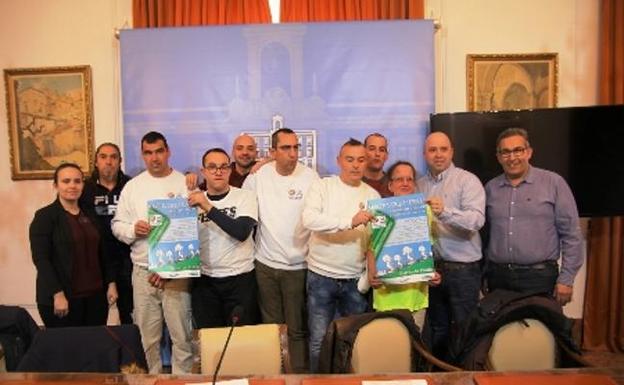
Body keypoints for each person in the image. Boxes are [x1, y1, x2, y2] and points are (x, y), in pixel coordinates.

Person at [111, 131, 193, 374]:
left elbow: (193, 228)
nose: (154, 158)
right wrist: (133, 229)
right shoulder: (133, 187)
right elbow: (116, 225)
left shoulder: (185, 183)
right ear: (142, 155)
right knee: (147, 339)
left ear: (168, 152)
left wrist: (172, 269)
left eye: (159, 151)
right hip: (144, 272)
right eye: (148, 153)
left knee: (183, 338)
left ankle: (183, 381)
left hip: (177, 274)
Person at [242, 128, 318, 373]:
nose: (293, 153)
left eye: (296, 147)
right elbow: (242, 210)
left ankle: (297, 378)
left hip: (299, 265)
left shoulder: (311, 177)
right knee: (272, 330)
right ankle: (274, 377)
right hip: (265, 265)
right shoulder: (257, 176)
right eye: (285, 148)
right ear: (273, 151)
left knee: (296, 330)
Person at [302, 138, 380, 372]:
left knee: (352, 341)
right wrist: (349, 221)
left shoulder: (373, 196)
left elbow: (374, 241)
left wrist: (368, 276)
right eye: (349, 159)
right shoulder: (323, 186)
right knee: (318, 340)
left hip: (354, 281)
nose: (355, 165)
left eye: (361, 160)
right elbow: (310, 219)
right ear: (338, 161)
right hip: (321, 277)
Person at [485, 127, 583, 305]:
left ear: (529, 152)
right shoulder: (490, 188)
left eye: (518, 150)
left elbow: (572, 235)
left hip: (540, 278)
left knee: (541, 332)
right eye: (505, 152)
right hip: (499, 278)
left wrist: (566, 279)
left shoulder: (554, 183)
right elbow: (485, 236)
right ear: (498, 157)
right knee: (500, 331)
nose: (512, 157)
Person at [417, 131, 485, 359]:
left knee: (465, 328)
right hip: (433, 269)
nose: (438, 155)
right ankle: (440, 376)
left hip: (463, 270)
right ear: (425, 154)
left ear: (452, 151)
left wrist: (444, 212)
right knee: (437, 329)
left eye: (443, 149)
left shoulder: (467, 180)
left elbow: (476, 221)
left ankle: (465, 376)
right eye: (432, 150)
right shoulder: (419, 185)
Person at [29, 163, 117, 328]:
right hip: (63, 299)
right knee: (67, 350)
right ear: (56, 185)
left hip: (95, 298)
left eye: (77, 181)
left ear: (83, 184)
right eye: (66, 181)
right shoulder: (45, 217)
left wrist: (111, 284)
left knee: (93, 347)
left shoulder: (91, 214)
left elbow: (103, 253)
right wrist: (57, 294)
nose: (72, 186)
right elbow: (41, 260)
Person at [187, 148, 260, 327]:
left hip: (240, 279)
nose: (218, 171)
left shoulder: (245, 196)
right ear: (203, 171)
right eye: (212, 167)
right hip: (205, 281)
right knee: (210, 341)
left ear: (229, 170)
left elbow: (241, 232)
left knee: (242, 341)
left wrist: (207, 206)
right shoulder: (192, 202)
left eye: (223, 167)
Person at [366, 161, 441, 330]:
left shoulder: (426, 211)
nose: (405, 183)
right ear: (391, 185)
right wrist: (372, 273)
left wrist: (431, 273)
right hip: (386, 295)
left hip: (417, 296)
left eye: (409, 179)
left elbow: (426, 247)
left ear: (414, 184)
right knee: (390, 348)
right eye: (399, 179)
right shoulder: (379, 212)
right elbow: (371, 247)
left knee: (414, 349)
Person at [81, 142, 133, 324]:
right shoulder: (84, 189)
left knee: (130, 315)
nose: (108, 161)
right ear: (96, 161)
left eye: (113, 157)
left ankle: (130, 352)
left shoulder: (132, 186)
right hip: (96, 261)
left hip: (128, 259)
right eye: (103, 157)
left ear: (120, 161)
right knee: (96, 317)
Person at [362, 132, 392, 197]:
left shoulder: (393, 184)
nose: (377, 154)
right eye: (372, 149)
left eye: (381, 150)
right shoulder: (353, 183)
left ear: (386, 156)